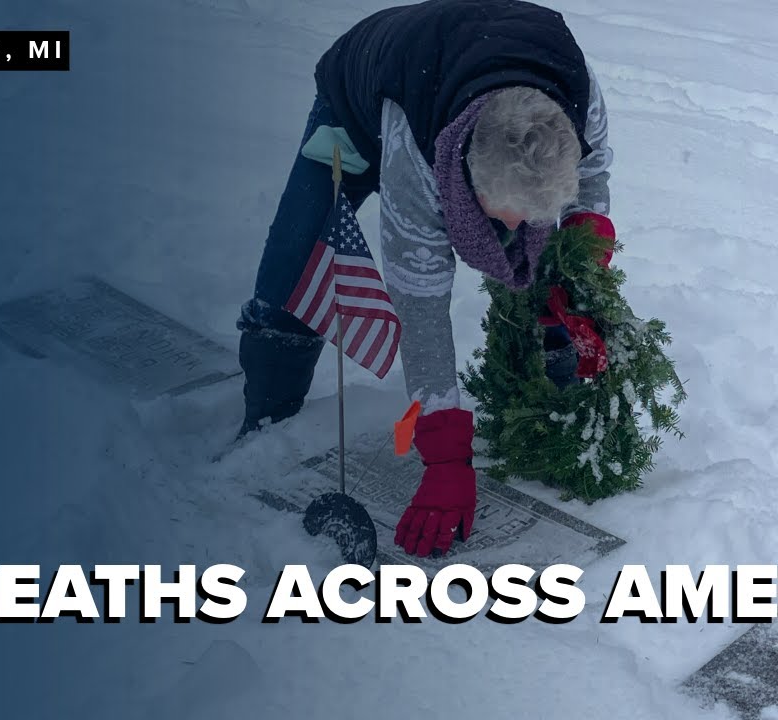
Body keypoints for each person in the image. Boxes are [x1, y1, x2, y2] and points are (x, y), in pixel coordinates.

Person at [235, 0, 616, 558]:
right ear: (463, 174)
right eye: (503, 212)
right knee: (295, 262)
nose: (512, 228)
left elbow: (593, 177)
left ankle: (555, 388)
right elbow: (420, 305)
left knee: (548, 258)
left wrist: (578, 263)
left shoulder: (579, 100)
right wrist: (443, 455)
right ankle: (267, 418)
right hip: (362, 102)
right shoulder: (418, 152)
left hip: (466, 61)